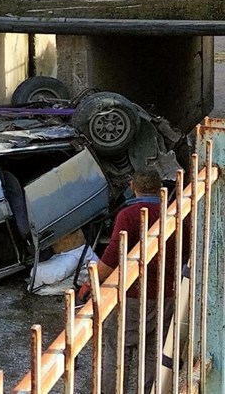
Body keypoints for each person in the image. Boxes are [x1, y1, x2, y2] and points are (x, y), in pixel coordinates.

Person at [79, 168, 182, 394]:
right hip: (167, 294)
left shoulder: (130, 215)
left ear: (132, 187)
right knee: (154, 350)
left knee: (118, 348)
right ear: (160, 189)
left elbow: (113, 255)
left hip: (134, 295)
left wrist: (90, 283)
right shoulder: (174, 213)